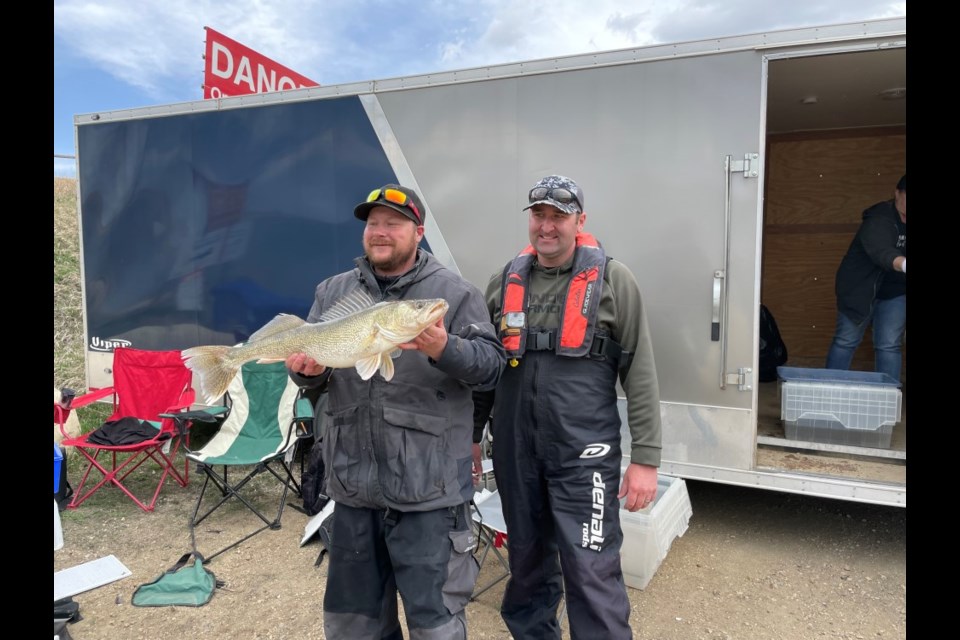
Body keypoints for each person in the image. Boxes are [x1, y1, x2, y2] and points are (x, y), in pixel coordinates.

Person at [286, 183, 506, 640]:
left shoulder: (453, 294)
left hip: (430, 493)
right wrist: (306, 373)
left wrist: (446, 347)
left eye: (394, 223)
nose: (380, 232)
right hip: (352, 491)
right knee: (354, 625)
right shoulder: (332, 293)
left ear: (418, 232)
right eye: (373, 224)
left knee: (436, 625)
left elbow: (490, 369)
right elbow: (318, 374)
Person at [472, 175, 662, 639]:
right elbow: (484, 370)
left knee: (591, 570)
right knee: (528, 565)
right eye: (539, 214)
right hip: (517, 452)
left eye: (559, 215)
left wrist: (647, 461)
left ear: (581, 220)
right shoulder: (502, 283)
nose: (548, 225)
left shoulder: (615, 280)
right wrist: (471, 434)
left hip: (586, 457)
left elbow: (640, 372)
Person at [825, 174, 906, 382]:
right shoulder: (879, 218)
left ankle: (887, 399)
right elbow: (882, 251)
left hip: (895, 293)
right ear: (897, 193)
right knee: (846, 340)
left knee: (889, 345)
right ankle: (830, 393)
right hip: (859, 290)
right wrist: (904, 263)